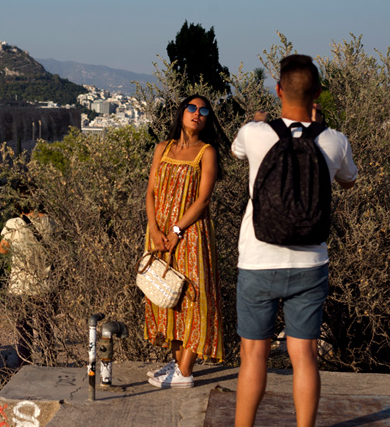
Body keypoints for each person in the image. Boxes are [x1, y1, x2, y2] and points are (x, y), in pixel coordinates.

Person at [232, 54, 357, 427]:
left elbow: (237, 152)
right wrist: (321, 130)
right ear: (317, 92)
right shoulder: (335, 141)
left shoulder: (255, 133)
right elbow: (349, 181)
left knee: (253, 355)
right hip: (310, 263)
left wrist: (259, 121)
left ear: (278, 90)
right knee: (304, 356)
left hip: (258, 260)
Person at [144, 94, 228, 388]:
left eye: (204, 110)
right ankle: (178, 363)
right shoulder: (163, 148)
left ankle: (185, 372)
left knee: (195, 297)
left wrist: (176, 231)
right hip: (159, 235)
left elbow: (203, 199)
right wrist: (154, 229)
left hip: (190, 234)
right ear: (181, 112)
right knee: (168, 296)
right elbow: (151, 191)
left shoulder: (206, 152)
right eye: (192, 108)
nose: (197, 113)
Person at [0, 197, 56, 365]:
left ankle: (25, 367)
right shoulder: (50, 222)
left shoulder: (14, 223)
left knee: (24, 331)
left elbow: (3, 250)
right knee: (46, 329)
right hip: (45, 284)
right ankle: (49, 363)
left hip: (21, 285)